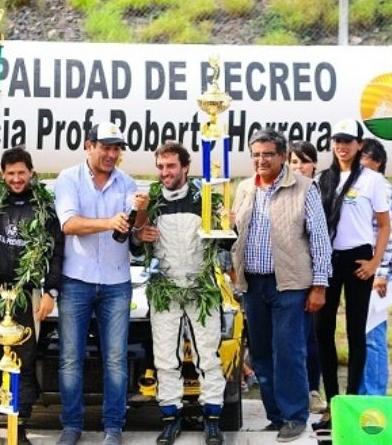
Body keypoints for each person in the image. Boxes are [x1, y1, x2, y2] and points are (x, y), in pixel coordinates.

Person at [0, 114, 64, 445]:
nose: (16, 178)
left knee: (22, 363)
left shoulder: (44, 208)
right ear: (4, 176)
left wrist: (51, 290)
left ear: (31, 173)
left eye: (22, 172)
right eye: (10, 173)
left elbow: (57, 251)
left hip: (27, 295)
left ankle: (18, 427)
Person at [231, 129, 332, 442]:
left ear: (282, 155)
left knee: (288, 351)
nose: (261, 160)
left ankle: (294, 416)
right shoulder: (245, 188)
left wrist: (320, 284)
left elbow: (319, 238)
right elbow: (235, 232)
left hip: (290, 284)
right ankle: (275, 416)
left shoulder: (304, 188)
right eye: (256, 154)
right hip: (253, 285)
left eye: (268, 154)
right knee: (260, 353)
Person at [53, 121, 148, 445]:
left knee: (116, 359)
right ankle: (72, 425)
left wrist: (141, 216)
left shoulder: (128, 183)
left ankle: (113, 428)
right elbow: (68, 223)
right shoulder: (68, 179)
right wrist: (108, 222)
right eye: (105, 147)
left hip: (116, 281)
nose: (111, 154)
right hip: (76, 279)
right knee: (70, 357)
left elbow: (131, 234)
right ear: (88, 145)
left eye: (116, 148)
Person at [132, 142, 226, 445]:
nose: (165, 172)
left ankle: (212, 419)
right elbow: (135, 245)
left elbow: (223, 244)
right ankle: (170, 418)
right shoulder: (151, 199)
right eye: (160, 167)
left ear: (185, 167)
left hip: (202, 289)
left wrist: (228, 225)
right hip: (165, 289)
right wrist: (140, 231)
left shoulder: (206, 196)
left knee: (208, 357)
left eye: (171, 166)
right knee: (164, 358)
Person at [313, 119, 390, 433]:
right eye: (337, 141)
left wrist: (374, 263)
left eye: (348, 141)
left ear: (359, 144)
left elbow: (384, 226)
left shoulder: (373, 180)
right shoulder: (322, 179)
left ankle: (354, 402)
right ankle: (333, 404)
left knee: (356, 333)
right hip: (327, 261)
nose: (342, 146)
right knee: (323, 333)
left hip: (358, 259)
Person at [359, 138, 392, 396]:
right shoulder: (364, 189)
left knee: (373, 337)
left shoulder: (383, 190)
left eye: (364, 159)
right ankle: (365, 394)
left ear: (377, 162)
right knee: (363, 337)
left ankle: (375, 397)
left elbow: (391, 236)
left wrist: (382, 274)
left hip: (378, 276)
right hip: (363, 272)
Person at [288, 141, 326, 414]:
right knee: (291, 338)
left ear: (314, 164)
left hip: (318, 275)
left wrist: (320, 279)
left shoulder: (322, 192)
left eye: (304, 161)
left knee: (313, 336)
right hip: (290, 276)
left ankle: (314, 390)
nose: (299, 167)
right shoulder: (285, 192)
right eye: (294, 162)